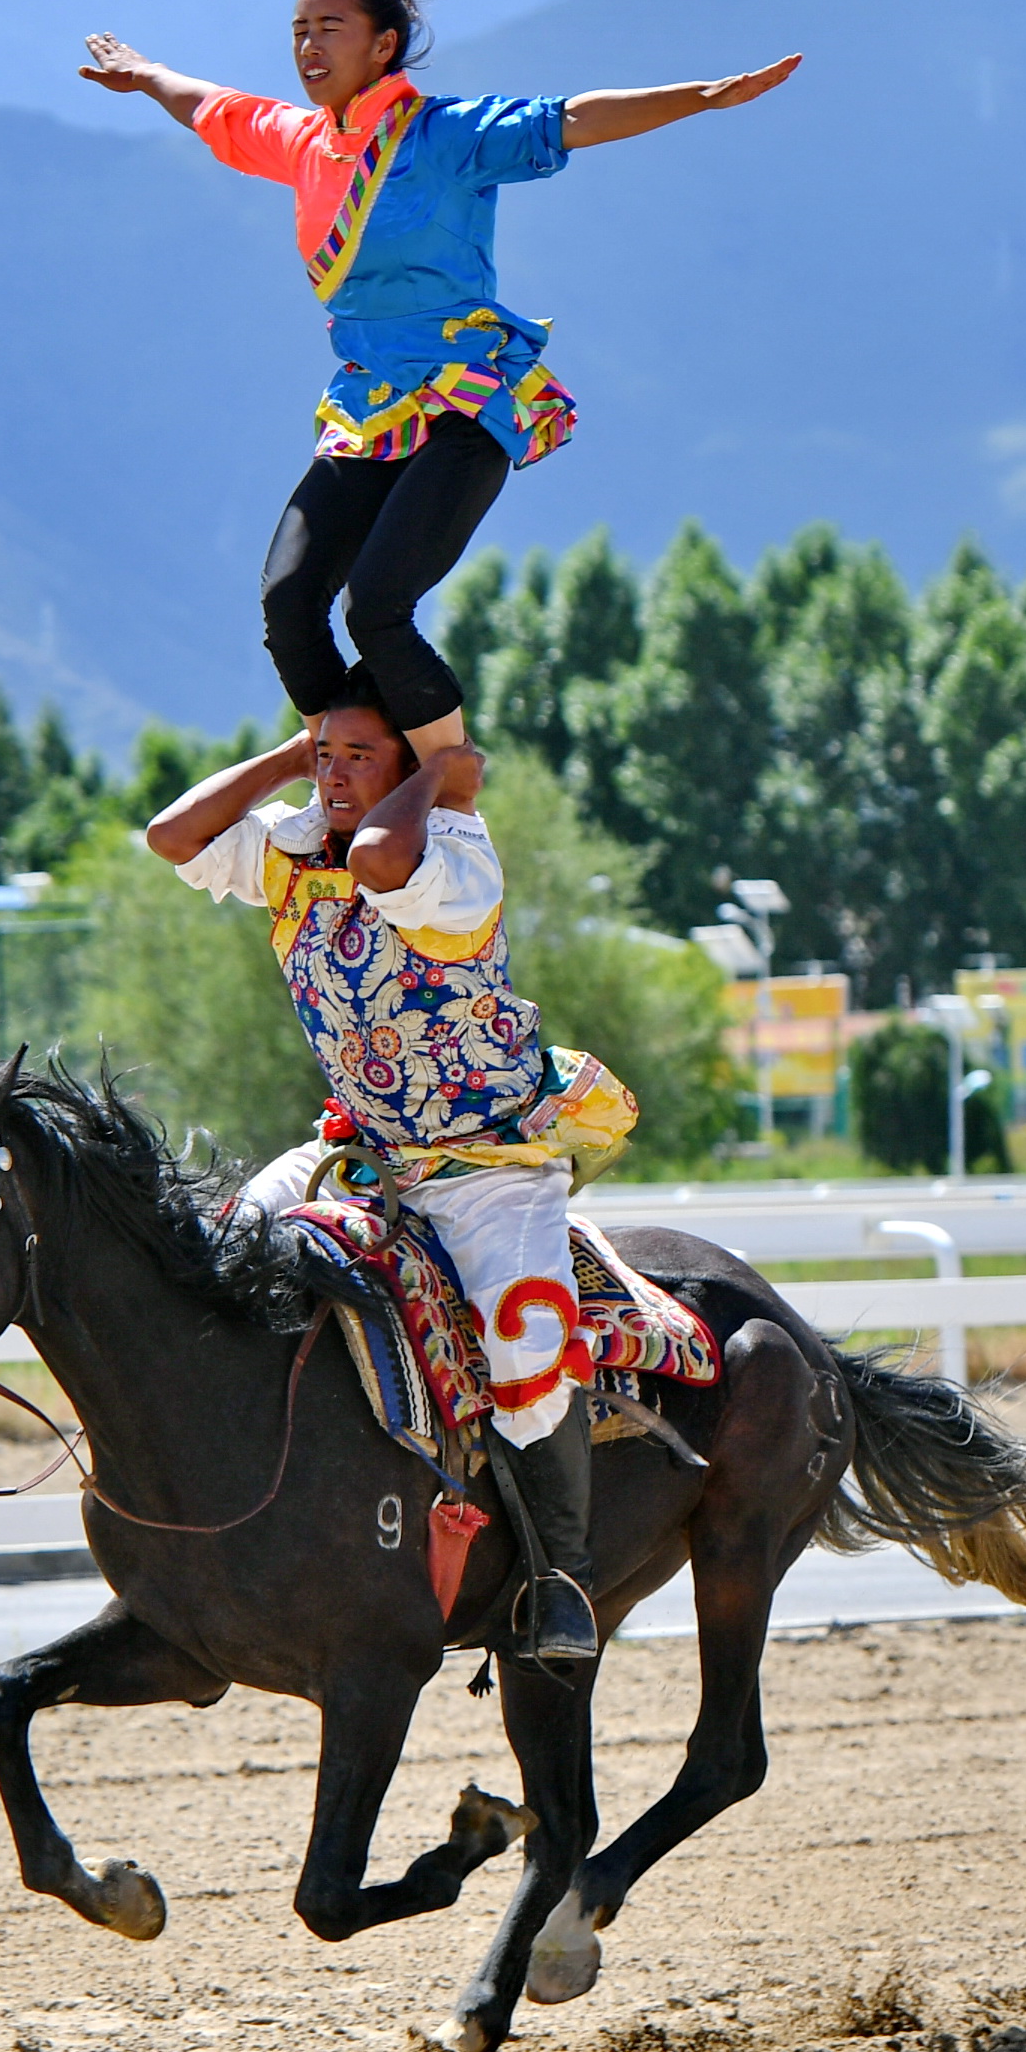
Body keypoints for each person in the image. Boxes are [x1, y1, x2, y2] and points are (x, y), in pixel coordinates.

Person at [81, 0, 800, 763]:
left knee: (377, 603)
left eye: (330, 29)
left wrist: (700, 97)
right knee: (288, 604)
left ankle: (449, 784)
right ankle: (343, 769)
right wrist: (146, 76)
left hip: (463, 400)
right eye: (298, 31)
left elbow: (571, 118)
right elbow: (211, 107)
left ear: (383, 44)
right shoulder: (300, 142)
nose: (308, 47)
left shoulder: (446, 134)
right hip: (366, 408)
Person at [142, 668, 638, 1672]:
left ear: (410, 769)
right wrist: (298, 756)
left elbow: (379, 858)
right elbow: (171, 837)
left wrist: (439, 779)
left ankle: (562, 1577)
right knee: (213, 1251)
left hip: (485, 1164)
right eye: (327, 752)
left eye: (359, 753)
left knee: (526, 1347)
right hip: (357, 1151)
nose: (334, 772)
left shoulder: (455, 853)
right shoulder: (292, 850)